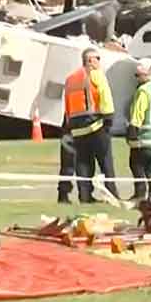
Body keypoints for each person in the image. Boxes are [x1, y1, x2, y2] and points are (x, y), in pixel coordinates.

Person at [64, 48, 116, 203]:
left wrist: (69, 124)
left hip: (77, 129)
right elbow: (105, 96)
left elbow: (67, 104)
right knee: (106, 162)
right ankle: (112, 194)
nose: (99, 62)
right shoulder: (96, 74)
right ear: (90, 60)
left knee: (83, 163)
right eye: (97, 58)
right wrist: (109, 118)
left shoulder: (71, 79)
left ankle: (85, 195)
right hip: (96, 125)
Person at [125, 58, 151, 201]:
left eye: (139, 75)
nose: (137, 78)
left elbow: (138, 113)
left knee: (136, 166)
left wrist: (132, 130)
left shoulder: (143, 91)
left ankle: (140, 195)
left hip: (143, 139)